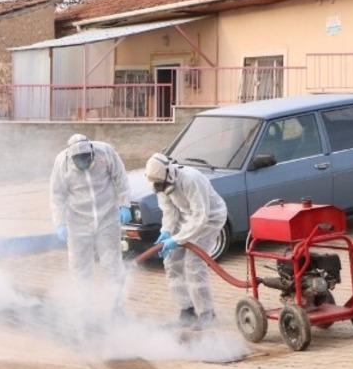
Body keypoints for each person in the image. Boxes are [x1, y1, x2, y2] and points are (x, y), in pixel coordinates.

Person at [143, 152, 228, 329]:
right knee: (171, 261)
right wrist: (166, 231)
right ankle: (187, 311)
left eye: (163, 184)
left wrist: (178, 238)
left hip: (210, 218)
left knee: (193, 263)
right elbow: (169, 211)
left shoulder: (191, 179)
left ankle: (207, 313)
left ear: (169, 173)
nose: (161, 187)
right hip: (185, 217)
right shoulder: (158, 182)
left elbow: (200, 216)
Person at [49, 134, 131, 285]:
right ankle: (84, 298)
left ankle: (116, 297)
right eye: (79, 159)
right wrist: (60, 222)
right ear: (71, 157)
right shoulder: (62, 162)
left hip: (107, 217)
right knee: (79, 265)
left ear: (92, 152)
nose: (83, 162)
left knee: (112, 261)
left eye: (86, 158)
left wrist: (125, 204)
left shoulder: (105, 152)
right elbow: (57, 195)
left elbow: (121, 178)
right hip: (77, 221)